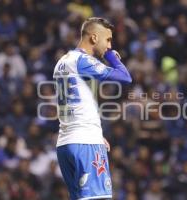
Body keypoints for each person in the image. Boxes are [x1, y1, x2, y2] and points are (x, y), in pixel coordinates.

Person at [53, 17, 132, 200]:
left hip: (66, 142)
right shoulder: (83, 61)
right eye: (108, 40)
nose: (110, 46)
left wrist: (97, 133)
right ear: (94, 38)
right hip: (85, 142)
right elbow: (125, 77)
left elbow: (73, 104)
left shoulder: (63, 61)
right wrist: (111, 57)